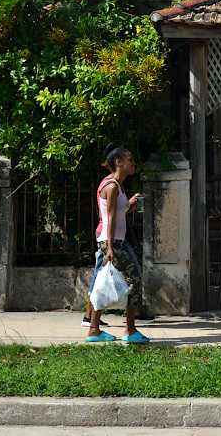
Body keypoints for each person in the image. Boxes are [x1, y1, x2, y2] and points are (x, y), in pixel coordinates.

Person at [86, 144, 148, 344]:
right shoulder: (111, 186)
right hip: (112, 242)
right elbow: (109, 218)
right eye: (129, 159)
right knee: (135, 279)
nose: (133, 163)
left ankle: (95, 329)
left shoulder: (117, 186)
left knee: (104, 283)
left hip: (115, 241)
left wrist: (129, 205)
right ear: (118, 162)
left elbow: (117, 213)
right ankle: (129, 331)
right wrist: (111, 248)